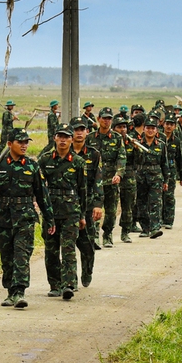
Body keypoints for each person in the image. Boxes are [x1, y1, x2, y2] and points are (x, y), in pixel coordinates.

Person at [0, 128, 54, 309]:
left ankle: (20, 292)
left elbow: (42, 195)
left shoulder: (32, 166)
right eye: (20, 142)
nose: (24, 145)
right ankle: (10, 292)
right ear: (10, 144)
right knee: (7, 257)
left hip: (25, 216)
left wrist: (49, 219)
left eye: (26, 142)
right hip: (4, 217)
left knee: (21, 254)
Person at [39, 123, 85, 300]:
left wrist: (82, 216)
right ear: (55, 138)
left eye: (67, 137)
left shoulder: (78, 162)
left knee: (68, 249)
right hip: (50, 211)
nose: (63, 140)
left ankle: (69, 285)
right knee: (51, 249)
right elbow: (39, 186)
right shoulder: (45, 160)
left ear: (71, 140)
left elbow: (83, 191)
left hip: (71, 211)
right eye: (60, 136)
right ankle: (55, 284)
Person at [71, 118, 104, 285]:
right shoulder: (61, 151)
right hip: (67, 205)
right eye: (76, 129)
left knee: (88, 245)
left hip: (88, 205)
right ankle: (70, 279)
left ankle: (87, 271)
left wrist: (98, 204)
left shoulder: (93, 154)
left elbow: (98, 180)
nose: (79, 133)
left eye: (82, 129)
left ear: (86, 132)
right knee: (67, 245)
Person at [90, 107, 126, 248]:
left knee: (111, 211)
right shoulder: (90, 138)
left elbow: (121, 158)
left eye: (109, 118)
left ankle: (108, 234)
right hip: (95, 181)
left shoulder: (117, 138)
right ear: (98, 119)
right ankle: (94, 235)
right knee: (94, 209)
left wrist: (119, 174)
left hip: (111, 180)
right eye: (104, 118)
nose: (107, 121)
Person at [136, 116, 171, 238]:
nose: (150, 130)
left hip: (156, 177)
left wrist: (166, 180)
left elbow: (164, 164)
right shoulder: (137, 144)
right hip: (141, 178)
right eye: (148, 128)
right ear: (144, 129)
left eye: (153, 128)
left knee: (156, 203)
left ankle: (155, 228)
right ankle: (145, 228)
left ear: (156, 130)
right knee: (142, 203)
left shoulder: (161, 145)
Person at [114, 114, 139, 243]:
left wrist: (137, 149)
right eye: (119, 127)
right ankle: (105, 233)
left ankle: (125, 232)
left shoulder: (131, 142)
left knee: (128, 206)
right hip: (112, 175)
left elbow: (140, 161)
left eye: (124, 127)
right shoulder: (111, 141)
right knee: (111, 208)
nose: (122, 130)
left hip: (128, 176)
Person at [162, 115, 182, 227]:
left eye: (171, 125)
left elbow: (179, 158)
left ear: (175, 127)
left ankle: (169, 220)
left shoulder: (176, 140)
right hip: (159, 171)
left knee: (169, 196)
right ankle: (159, 219)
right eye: (167, 124)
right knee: (158, 196)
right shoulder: (158, 138)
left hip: (171, 171)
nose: (169, 127)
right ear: (163, 124)